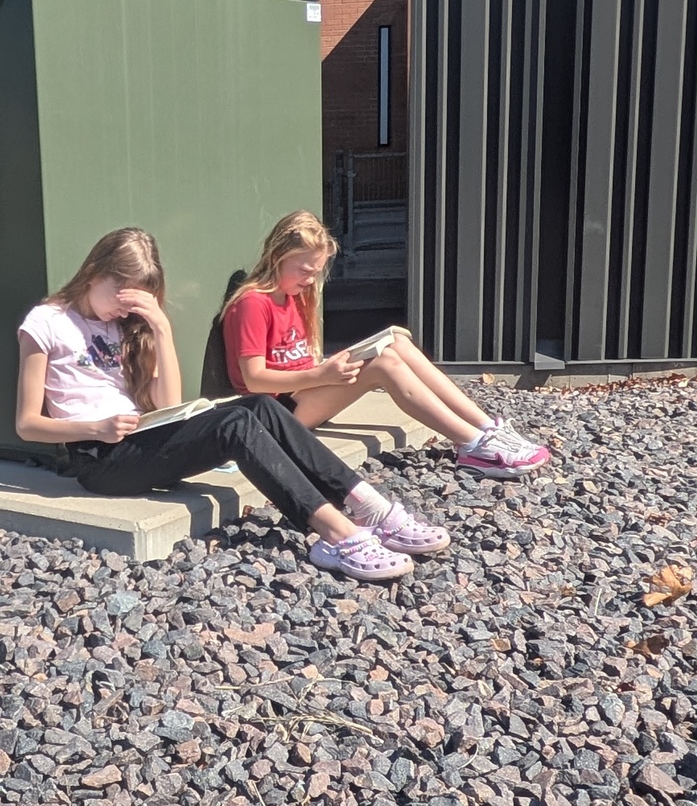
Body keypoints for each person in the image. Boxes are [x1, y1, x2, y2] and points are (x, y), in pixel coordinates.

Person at [15, 227, 450, 581]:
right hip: (99, 459)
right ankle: (337, 535)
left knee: (258, 406)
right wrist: (96, 428)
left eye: (137, 299)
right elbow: (27, 425)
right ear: (95, 272)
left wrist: (161, 328)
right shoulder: (47, 322)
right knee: (235, 425)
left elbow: (167, 403)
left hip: (139, 439)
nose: (123, 308)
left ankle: (369, 506)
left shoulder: (127, 326)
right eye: (120, 294)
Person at [220, 210, 551, 479]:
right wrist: (322, 375)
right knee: (384, 365)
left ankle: (488, 427)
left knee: (396, 342)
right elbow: (255, 379)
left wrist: (329, 368)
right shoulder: (253, 303)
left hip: (302, 392)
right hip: (274, 410)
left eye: (316, 272)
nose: (310, 280)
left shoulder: (293, 295)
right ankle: (474, 445)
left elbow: (297, 362)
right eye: (305, 270)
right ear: (278, 256)